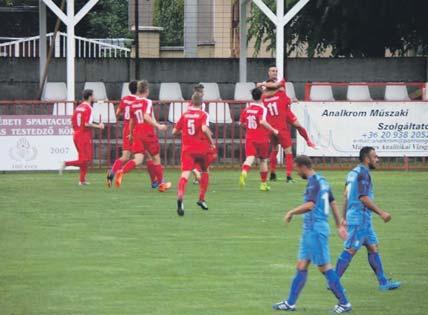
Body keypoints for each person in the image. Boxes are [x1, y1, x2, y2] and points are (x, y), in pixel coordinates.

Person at [273, 155, 351, 313]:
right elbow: (333, 202)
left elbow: (310, 205)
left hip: (316, 229)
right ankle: (290, 303)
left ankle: (344, 303)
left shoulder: (313, 183)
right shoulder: (322, 180)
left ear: (303, 166)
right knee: (301, 265)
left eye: (296, 169)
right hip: (310, 230)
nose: (296, 172)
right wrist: (338, 224)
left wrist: (291, 212)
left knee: (324, 267)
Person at [335, 147, 401, 291]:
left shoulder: (352, 173)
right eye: (375, 157)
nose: (377, 159)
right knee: (350, 249)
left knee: (373, 247)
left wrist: (343, 217)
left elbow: (346, 196)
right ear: (367, 158)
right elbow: (363, 198)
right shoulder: (363, 174)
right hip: (360, 218)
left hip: (359, 217)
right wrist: (382, 213)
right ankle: (333, 282)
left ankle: (383, 282)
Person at [258, 65, 315, 181]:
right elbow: (275, 90)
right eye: (272, 71)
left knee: (276, 147)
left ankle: (308, 140)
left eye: (276, 71)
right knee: (287, 150)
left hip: (277, 119)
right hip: (282, 117)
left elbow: (268, 91)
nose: (274, 72)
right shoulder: (275, 90)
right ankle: (288, 176)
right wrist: (288, 98)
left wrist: (262, 84)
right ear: (268, 72)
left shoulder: (273, 86)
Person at [114, 81, 171, 192]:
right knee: (156, 158)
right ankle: (161, 184)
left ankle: (121, 171)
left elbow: (131, 120)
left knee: (138, 159)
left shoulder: (133, 103)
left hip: (137, 133)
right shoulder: (148, 102)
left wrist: (130, 133)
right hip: (148, 133)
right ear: (146, 91)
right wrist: (158, 126)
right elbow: (146, 116)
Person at [172, 93, 216, 216]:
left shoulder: (185, 115)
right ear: (202, 103)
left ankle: (181, 195)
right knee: (206, 170)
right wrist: (211, 142)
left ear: (191, 102)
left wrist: (184, 131)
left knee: (184, 175)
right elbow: (203, 129)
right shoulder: (203, 114)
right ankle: (201, 199)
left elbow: (174, 131)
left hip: (187, 149)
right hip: (201, 148)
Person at [59, 89, 104, 185]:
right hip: (83, 136)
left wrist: (77, 130)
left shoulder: (78, 107)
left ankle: (82, 180)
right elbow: (87, 123)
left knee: (83, 159)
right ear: (90, 97)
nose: (94, 97)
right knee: (86, 159)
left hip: (76, 134)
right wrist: (99, 126)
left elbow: (72, 121)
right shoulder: (89, 108)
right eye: (93, 95)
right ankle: (66, 164)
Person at [239, 87, 278, 191]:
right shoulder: (262, 109)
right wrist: (273, 129)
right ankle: (263, 184)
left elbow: (241, 123)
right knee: (263, 160)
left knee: (250, 157)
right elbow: (262, 122)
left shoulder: (247, 109)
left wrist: (247, 129)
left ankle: (244, 171)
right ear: (262, 96)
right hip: (262, 138)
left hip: (250, 137)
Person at [107, 80, 138, 187]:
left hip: (126, 129)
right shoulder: (139, 101)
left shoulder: (124, 99)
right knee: (146, 156)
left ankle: (112, 172)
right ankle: (157, 181)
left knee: (125, 156)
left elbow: (117, 113)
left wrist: (124, 116)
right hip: (136, 129)